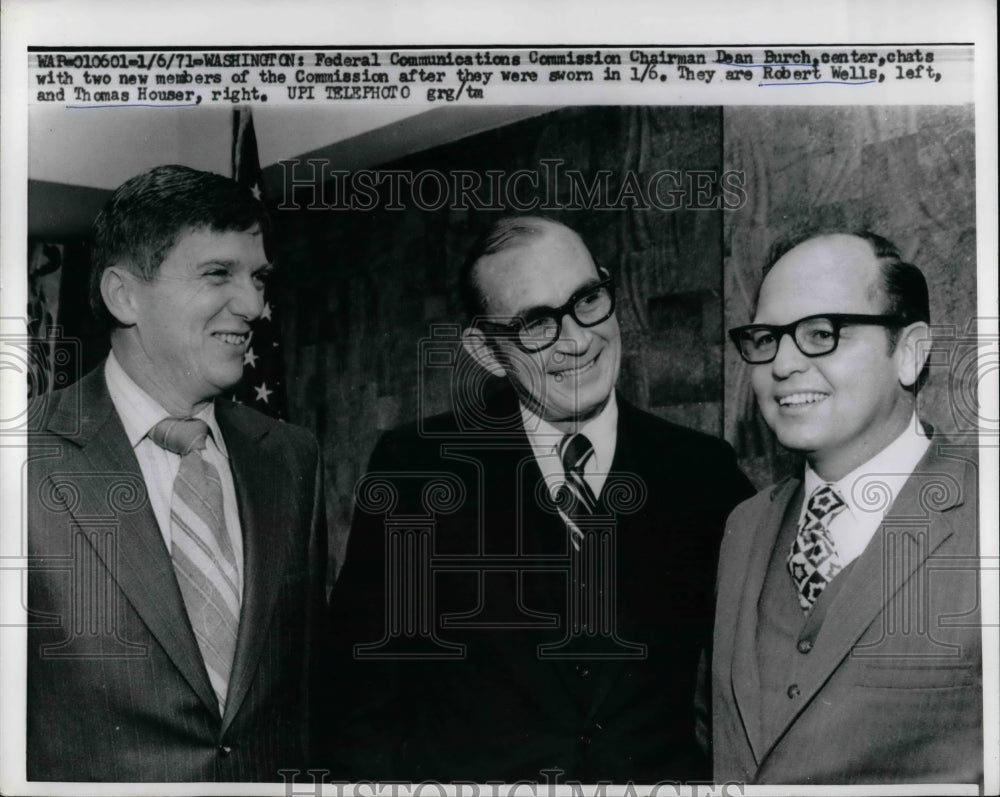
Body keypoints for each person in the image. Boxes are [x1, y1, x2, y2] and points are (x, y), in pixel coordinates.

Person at [323, 216, 754, 783]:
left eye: (587, 299)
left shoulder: (702, 470)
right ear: (486, 348)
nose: (577, 339)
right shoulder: (418, 471)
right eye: (534, 324)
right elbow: (361, 696)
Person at [27, 165, 327, 781]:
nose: (253, 305)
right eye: (218, 273)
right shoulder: (19, 454)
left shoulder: (293, 457)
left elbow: (306, 690)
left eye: (258, 278)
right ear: (123, 295)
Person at [713, 230, 982, 785]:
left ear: (909, 352)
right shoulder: (743, 525)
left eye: (819, 333)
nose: (781, 364)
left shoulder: (989, 511)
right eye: (765, 338)